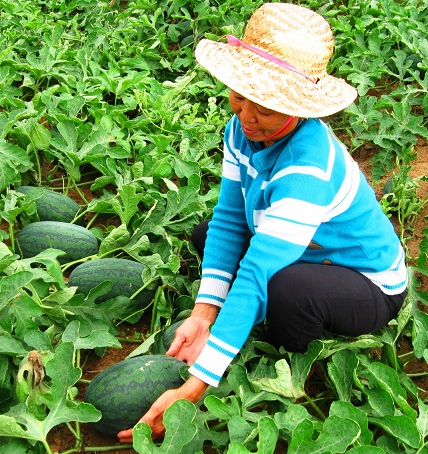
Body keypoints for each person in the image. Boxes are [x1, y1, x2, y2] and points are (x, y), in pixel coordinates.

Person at [118, 2, 407, 443]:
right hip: (303, 250)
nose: (247, 116)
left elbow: (258, 269)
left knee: (283, 289)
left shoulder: (307, 167)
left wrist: (196, 385)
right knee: (207, 235)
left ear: (298, 107)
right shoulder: (242, 130)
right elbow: (231, 218)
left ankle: (290, 345)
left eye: (266, 109)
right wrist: (204, 312)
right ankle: (245, 317)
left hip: (366, 283)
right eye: (239, 97)